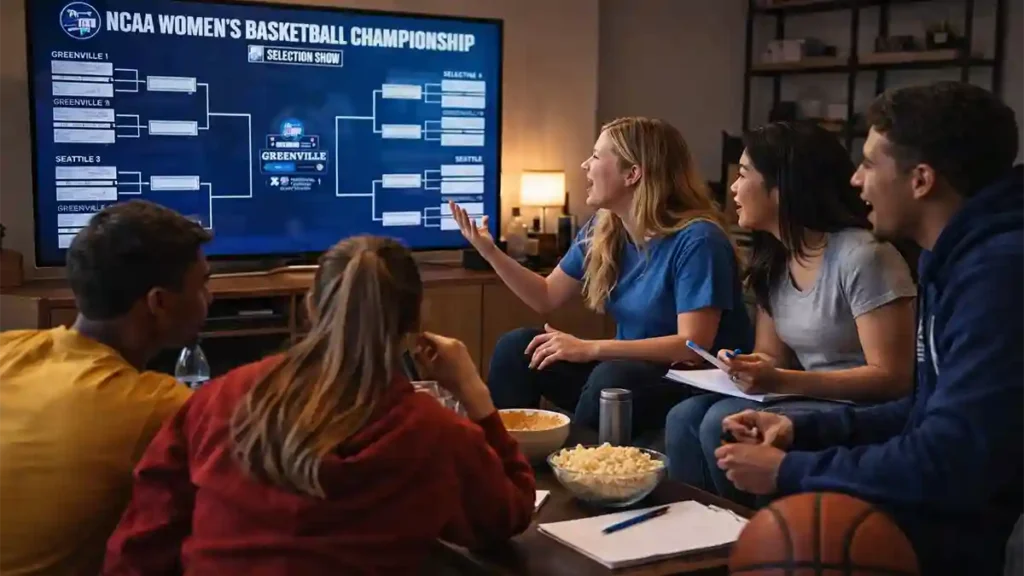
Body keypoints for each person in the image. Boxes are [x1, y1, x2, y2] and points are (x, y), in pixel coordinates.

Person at [714, 81, 1024, 575]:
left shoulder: (999, 275)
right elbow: (923, 411)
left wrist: (792, 471)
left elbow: (952, 456)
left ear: (921, 179)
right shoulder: (952, 260)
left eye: (870, 164)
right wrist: (799, 429)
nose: (856, 181)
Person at [102, 236, 535, 575]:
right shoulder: (435, 434)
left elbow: (142, 541)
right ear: (414, 321)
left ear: (311, 306)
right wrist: (473, 392)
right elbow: (507, 514)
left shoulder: (219, 398)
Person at [450, 117, 753, 437]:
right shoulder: (605, 226)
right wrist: (490, 253)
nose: (585, 165)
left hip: (688, 381)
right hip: (627, 370)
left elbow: (692, 346)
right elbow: (545, 296)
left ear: (632, 173)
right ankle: (501, 462)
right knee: (518, 348)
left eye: (595, 156)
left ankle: (579, 472)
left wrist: (590, 348)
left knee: (611, 380)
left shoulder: (699, 240)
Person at [664, 121, 916, 502]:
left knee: (719, 423)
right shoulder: (776, 258)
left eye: (744, 174)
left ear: (782, 188)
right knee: (683, 417)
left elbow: (893, 378)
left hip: (860, 407)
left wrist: (779, 380)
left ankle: (756, 540)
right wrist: (748, 366)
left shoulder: (864, 257)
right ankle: (696, 540)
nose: (732, 186)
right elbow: (772, 356)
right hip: (804, 394)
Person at [0, 200, 211, 576]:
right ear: (158, 302)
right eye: (202, 285)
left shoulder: (9, 348)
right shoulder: (156, 406)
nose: (208, 298)